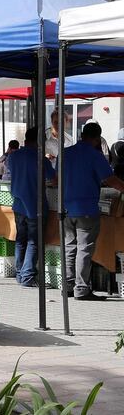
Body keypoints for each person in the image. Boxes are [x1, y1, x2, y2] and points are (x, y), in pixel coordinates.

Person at [62, 122, 124, 300]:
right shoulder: (95, 155)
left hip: (66, 207)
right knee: (84, 249)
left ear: (82, 135)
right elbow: (110, 179)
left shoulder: (65, 153)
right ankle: (81, 289)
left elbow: (56, 178)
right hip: (87, 208)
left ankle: (67, 286)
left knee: (69, 247)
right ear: (97, 139)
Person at [7, 127, 56, 288]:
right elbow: (54, 180)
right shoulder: (41, 159)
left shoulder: (13, 157)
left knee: (21, 240)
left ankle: (21, 274)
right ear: (39, 141)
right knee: (34, 241)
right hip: (35, 205)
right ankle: (28, 276)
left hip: (18, 204)